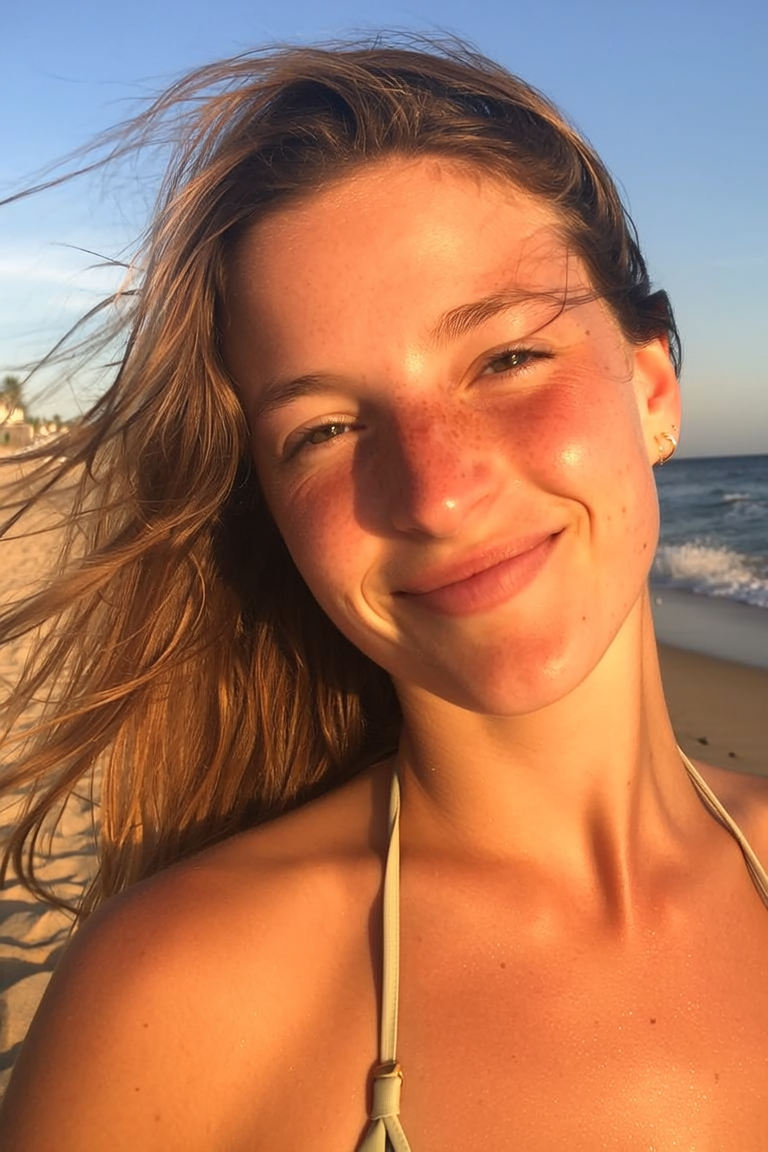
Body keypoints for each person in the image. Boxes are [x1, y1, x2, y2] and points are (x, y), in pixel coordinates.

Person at [1, 37, 767, 1152]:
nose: (437, 495)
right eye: (323, 430)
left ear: (652, 389)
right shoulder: (173, 1007)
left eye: (506, 360)